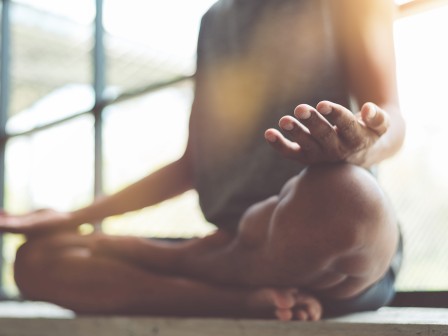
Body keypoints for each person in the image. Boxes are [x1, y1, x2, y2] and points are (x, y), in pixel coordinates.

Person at [0, 0, 405, 320]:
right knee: (37, 261)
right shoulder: (215, 20)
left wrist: (361, 147)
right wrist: (72, 219)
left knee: (350, 199)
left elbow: (393, 121)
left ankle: (193, 266)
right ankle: (240, 299)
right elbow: (192, 164)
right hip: (231, 247)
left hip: (316, 248)